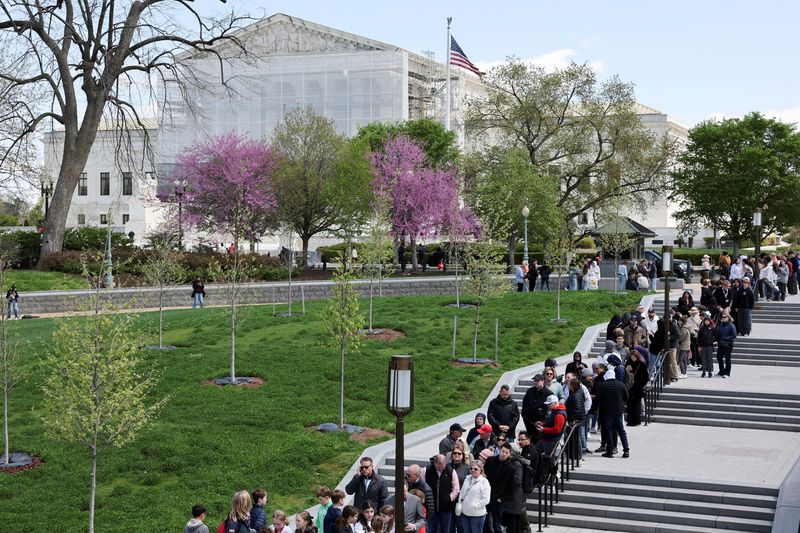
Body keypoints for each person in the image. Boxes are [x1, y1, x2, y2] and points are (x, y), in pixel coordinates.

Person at [595, 363, 630, 458]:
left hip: (607, 412)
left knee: (609, 430)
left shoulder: (603, 385)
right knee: (621, 431)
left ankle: (609, 451)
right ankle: (626, 450)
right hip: (618, 411)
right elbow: (627, 397)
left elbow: (598, 398)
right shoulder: (621, 384)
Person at [424, 454, 460, 533]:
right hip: (431, 508)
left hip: (446, 508)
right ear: (435, 463)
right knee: (431, 530)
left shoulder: (451, 471)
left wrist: (449, 498)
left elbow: (456, 488)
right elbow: (422, 485)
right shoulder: (427, 470)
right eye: (439, 466)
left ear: (445, 462)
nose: (441, 468)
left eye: (443, 465)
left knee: (446, 530)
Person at [496, 444, 525, 533]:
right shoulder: (509, 462)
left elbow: (517, 481)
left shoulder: (516, 464)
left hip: (513, 498)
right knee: (510, 522)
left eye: (507, 452)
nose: (504, 454)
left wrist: (504, 488)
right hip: (510, 498)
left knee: (512, 522)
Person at [458, 461, 491, 533]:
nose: (473, 470)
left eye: (475, 469)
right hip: (465, 514)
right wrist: (460, 504)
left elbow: (486, 499)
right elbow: (462, 492)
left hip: (477, 515)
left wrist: (475, 506)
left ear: (481, 470)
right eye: (471, 468)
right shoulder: (467, 478)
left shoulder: (484, 481)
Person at [521, 374, 550, 444]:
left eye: (538, 380)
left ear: (543, 381)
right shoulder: (530, 391)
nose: (536, 382)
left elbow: (550, 410)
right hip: (529, 422)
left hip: (541, 424)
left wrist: (543, 422)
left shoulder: (548, 393)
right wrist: (525, 417)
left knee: (538, 443)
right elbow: (524, 405)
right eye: (535, 380)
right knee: (529, 442)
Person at [625, 350, 649, 426]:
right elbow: (626, 374)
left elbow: (646, 376)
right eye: (632, 357)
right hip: (630, 386)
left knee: (637, 404)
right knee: (629, 404)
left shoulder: (642, 364)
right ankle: (630, 421)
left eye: (634, 357)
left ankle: (637, 420)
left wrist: (642, 385)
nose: (633, 358)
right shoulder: (628, 363)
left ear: (637, 356)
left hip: (638, 387)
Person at [716, 312, 737, 378]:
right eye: (722, 317)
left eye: (725, 317)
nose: (723, 318)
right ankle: (721, 371)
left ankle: (727, 373)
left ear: (728, 318)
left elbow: (734, 335)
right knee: (719, 357)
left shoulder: (731, 325)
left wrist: (725, 338)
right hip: (721, 343)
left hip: (728, 344)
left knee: (727, 358)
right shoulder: (721, 324)